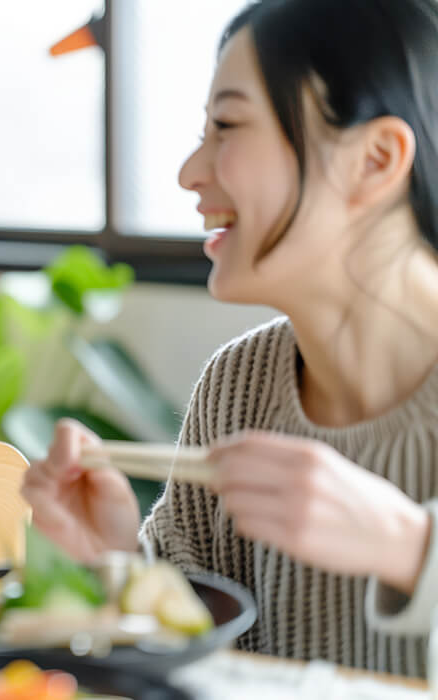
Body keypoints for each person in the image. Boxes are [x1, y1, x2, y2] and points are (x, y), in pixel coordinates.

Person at [23, 0, 438, 678]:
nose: (191, 172)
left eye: (228, 127)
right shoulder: (238, 386)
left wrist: (412, 551)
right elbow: (193, 668)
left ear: (376, 158)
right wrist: (115, 566)